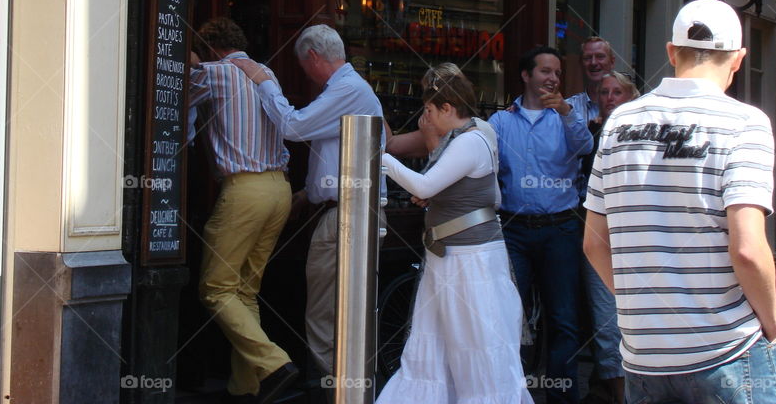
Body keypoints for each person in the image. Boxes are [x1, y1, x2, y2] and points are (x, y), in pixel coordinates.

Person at [584, 0, 776, 403]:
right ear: (738, 59)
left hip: (643, 358)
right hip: (726, 348)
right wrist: (773, 324)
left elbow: (594, 242)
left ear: (671, 52)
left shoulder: (619, 123)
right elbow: (747, 249)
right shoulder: (744, 123)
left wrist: (643, 309)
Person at [232, 24, 385, 378]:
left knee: (324, 315)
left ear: (313, 57)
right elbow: (335, 153)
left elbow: (294, 127)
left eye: (303, 66)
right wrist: (307, 194)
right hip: (348, 211)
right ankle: (344, 387)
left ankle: (335, 390)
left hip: (346, 215)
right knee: (340, 313)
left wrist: (263, 81)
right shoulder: (348, 88)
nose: (304, 73)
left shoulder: (346, 89)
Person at [378, 64, 531, 404]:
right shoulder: (467, 137)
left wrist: (382, 159)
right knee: (430, 346)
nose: (426, 118)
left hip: (471, 261)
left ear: (448, 108)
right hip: (447, 257)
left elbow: (425, 184)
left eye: (430, 111)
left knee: (477, 346)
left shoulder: (472, 141)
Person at [187, 18, 297, 404]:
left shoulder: (214, 73)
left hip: (245, 189)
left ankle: (273, 364)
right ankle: (245, 386)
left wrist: (188, 63)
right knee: (246, 290)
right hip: (279, 188)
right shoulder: (265, 73)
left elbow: (170, 100)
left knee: (215, 288)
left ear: (213, 48)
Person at [489, 45, 593, 404]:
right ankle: (510, 396)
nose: (552, 78)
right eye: (545, 71)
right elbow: (480, 161)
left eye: (557, 73)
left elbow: (585, 146)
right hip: (514, 231)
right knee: (509, 316)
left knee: (564, 319)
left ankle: (562, 399)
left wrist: (566, 112)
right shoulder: (500, 122)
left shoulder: (567, 117)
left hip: (560, 230)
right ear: (526, 75)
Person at [579, 70, 639, 404]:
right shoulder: (589, 134)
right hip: (600, 239)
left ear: (630, 97)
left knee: (637, 319)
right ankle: (618, 395)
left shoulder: (642, 135)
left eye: (617, 92)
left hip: (636, 241)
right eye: (604, 92)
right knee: (605, 323)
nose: (610, 98)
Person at [567, 37, 616, 126]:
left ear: (612, 62)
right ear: (581, 64)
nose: (593, 63)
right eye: (587, 58)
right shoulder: (568, 108)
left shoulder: (628, 106)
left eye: (600, 57)